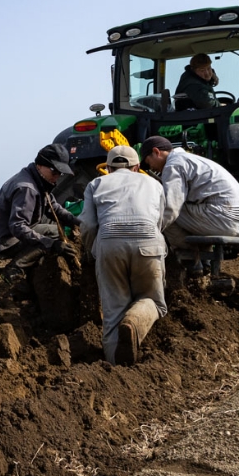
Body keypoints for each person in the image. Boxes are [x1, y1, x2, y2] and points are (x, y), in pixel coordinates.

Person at [78, 145, 167, 366]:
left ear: (107, 167)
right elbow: (160, 222)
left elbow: (87, 226)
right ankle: (135, 324)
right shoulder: (154, 184)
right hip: (148, 242)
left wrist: (96, 250)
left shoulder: (96, 184)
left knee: (113, 313)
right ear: (137, 167)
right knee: (155, 302)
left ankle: (113, 369)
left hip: (110, 245)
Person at [0, 143, 79, 285]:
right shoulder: (27, 188)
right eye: (54, 171)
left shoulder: (39, 180)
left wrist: (76, 222)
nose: (57, 177)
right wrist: (52, 244)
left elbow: (53, 207)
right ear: (40, 165)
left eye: (60, 173)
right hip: (5, 239)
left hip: (14, 232)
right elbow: (18, 226)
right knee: (50, 240)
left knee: (57, 232)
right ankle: (15, 269)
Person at [139, 136, 239, 249]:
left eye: (149, 162)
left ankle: (188, 258)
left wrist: (150, 231)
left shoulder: (173, 165)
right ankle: (204, 259)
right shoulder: (192, 159)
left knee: (163, 210)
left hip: (224, 220)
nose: (151, 168)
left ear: (156, 152)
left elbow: (171, 208)